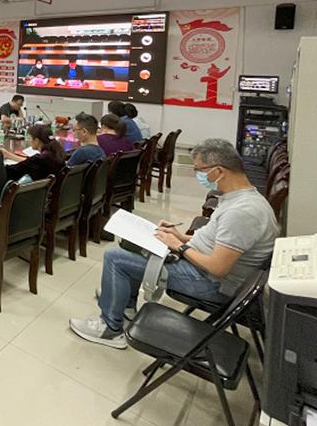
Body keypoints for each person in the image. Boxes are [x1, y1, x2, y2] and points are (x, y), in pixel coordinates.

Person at [69, 139, 279, 348]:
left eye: (199, 170)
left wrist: (179, 246)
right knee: (135, 245)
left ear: (218, 171)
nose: (197, 175)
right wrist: (179, 236)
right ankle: (126, 307)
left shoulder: (243, 213)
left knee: (115, 258)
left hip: (212, 283)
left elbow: (218, 268)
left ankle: (109, 329)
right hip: (204, 268)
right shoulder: (239, 199)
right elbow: (217, 239)